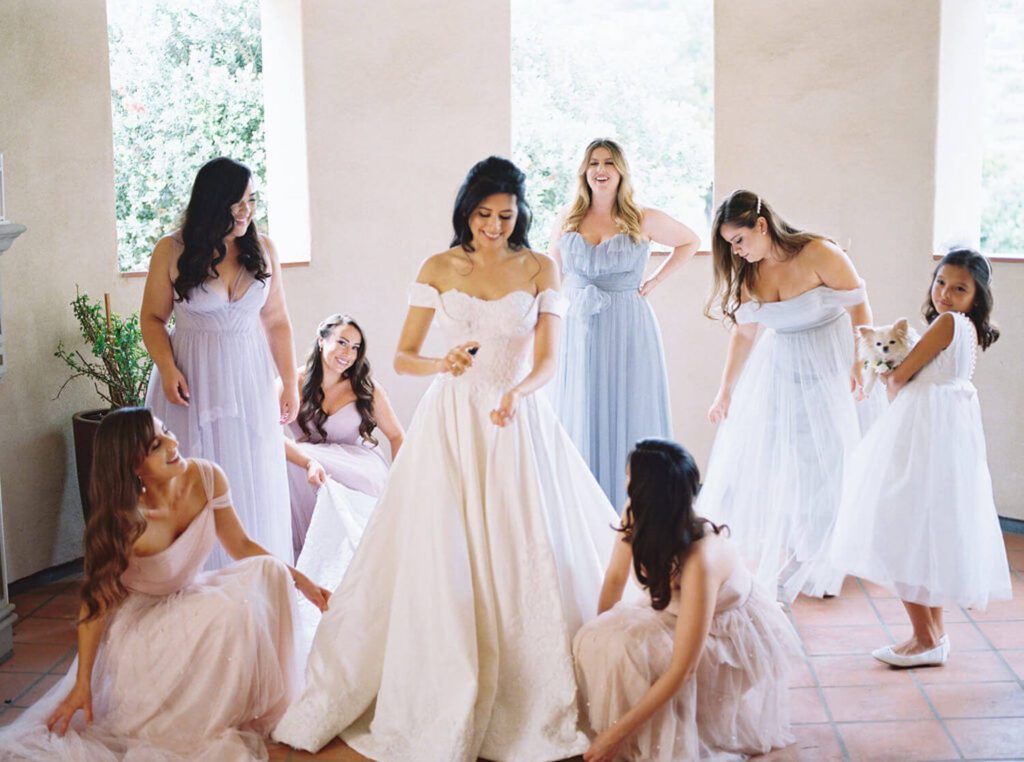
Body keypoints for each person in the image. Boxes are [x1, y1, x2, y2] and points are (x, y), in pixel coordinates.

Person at [272, 157, 619, 761]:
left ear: (520, 213)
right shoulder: (438, 266)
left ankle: (532, 683)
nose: (495, 226)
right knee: (444, 544)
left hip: (515, 417)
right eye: (484, 214)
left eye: (506, 215)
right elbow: (403, 356)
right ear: (466, 210)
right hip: (452, 418)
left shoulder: (540, 268)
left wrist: (518, 393)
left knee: (523, 539)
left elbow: (548, 361)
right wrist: (444, 362)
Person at [0, 408, 329, 760]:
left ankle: (261, 705)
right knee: (230, 609)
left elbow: (241, 545)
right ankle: (203, 718)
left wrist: (303, 582)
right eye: (155, 446)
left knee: (269, 572)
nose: (173, 444)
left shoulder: (206, 477)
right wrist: (83, 682)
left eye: (166, 431)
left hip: (187, 597)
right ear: (133, 465)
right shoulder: (124, 522)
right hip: (143, 627)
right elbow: (95, 603)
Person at [830, 249, 1012, 667]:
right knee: (924, 532)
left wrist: (885, 373)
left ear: (977, 296)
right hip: (941, 439)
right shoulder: (967, 330)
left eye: (959, 288)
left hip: (920, 437)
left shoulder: (947, 323)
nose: (945, 293)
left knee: (897, 528)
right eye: (940, 282)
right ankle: (933, 635)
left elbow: (900, 375)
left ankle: (925, 637)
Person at [573, 439, 802, 762]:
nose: (625, 484)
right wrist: (601, 630)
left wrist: (615, 736)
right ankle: (634, 725)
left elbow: (684, 668)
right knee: (599, 639)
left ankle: (648, 731)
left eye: (629, 478)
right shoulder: (637, 513)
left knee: (642, 659)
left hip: (724, 632)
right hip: (675, 610)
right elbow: (614, 578)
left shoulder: (701, 559)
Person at [699, 189, 876, 600]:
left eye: (739, 240)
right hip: (781, 367)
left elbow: (859, 306)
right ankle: (801, 549)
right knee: (792, 461)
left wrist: (859, 360)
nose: (737, 251)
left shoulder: (820, 253)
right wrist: (725, 391)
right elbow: (744, 334)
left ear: (761, 225)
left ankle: (827, 555)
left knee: (829, 459)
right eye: (730, 245)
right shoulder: (748, 275)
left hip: (830, 361)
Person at [141, 157, 296, 569]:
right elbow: (152, 319)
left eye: (252, 200)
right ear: (212, 201)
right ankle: (196, 581)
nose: (247, 211)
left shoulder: (264, 250)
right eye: (237, 202)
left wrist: (290, 383)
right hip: (192, 378)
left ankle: (254, 580)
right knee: (194, 474)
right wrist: (168, 368)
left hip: (248, 378)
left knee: (253, 474)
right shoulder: (172, 249)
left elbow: (277, 321)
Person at [549, 139, 700, 509]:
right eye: (594, 163)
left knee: (629, 404)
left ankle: (636, 507)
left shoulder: (642, 217)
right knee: (580, 405)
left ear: (621, 171)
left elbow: (689, 241)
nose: (600, 170)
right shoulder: (567, 217)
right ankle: (583, 507)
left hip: (627, 323)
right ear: (584, 171)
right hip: (578, 326)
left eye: (609, 163)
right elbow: (554, 273)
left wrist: (655, 281)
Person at [283, 313, 404, 560]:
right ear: (321, 341)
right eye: (342, 342)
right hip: (309, 465)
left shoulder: (366, 388)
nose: (348, 353)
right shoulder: (292, 382)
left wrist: (400, 483)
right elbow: (266, 434)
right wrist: (306, 462)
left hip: (358, 466)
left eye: (355, 347)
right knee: (287, 460)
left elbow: (396, 436)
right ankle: (308, 554)